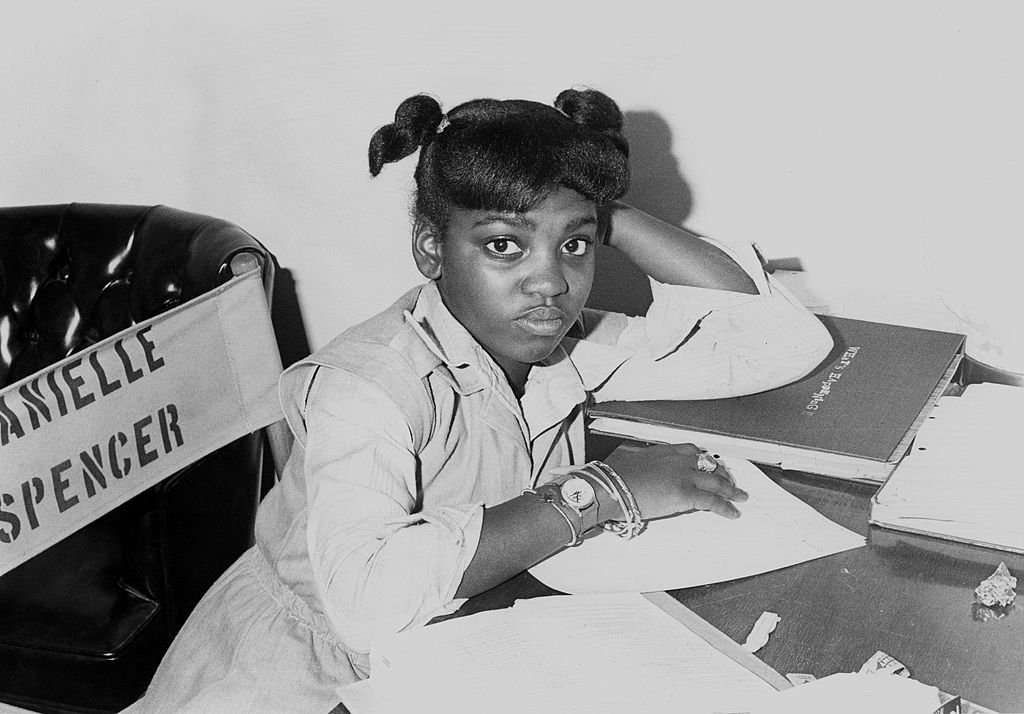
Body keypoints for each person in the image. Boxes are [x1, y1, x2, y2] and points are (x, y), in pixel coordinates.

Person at [130, 87, 832, 712]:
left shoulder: (570, 348)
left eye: (576, 247)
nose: (549, 283)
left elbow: (778, 345)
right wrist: (600, 494)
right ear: (431, 250)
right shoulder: (368, 382)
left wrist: (593, 207)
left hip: (453, 650)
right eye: (504, 246)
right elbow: (367, 604)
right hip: (290, 679)